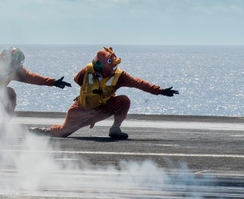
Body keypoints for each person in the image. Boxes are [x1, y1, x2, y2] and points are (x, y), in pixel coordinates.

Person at [38, 46, 177, 140]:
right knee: (62, 132)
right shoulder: (87, 71)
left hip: (102, 109)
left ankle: (115, 129)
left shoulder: (120, 76)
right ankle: (38, 131)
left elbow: (138, 83)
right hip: (81, 110)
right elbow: (78, 80)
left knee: (124, 101)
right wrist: (88, 95)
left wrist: (160, 91)